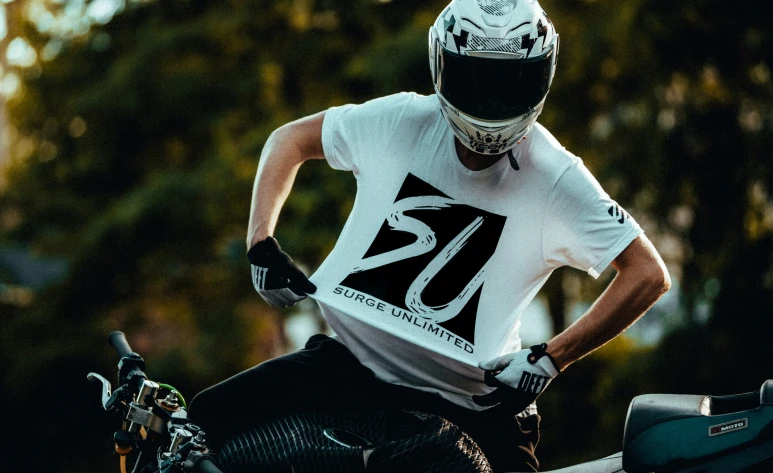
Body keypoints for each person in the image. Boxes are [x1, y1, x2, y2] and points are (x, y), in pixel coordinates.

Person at [190, 1, 670, 471]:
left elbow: (648, 273)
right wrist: (261, 242)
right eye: (477, 78)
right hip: (353, 369)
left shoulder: (556, 175)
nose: (491, 100)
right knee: (197, 428)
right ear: (443, 65)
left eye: (510, 82)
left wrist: (551, 358)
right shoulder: (402, 120)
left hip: (470, 402)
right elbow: (289, 139)